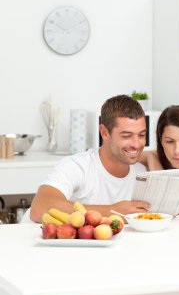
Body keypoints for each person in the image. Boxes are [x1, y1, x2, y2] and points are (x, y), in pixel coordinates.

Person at [30, 95, 150, 223]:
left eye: (142, 135)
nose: (137, 144)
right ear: (104, 133)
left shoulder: (144, 171)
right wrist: (112, 211)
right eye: (126, 136)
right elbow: (39, 208)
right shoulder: (78, 166)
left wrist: (152, 157)